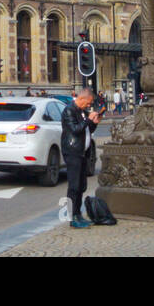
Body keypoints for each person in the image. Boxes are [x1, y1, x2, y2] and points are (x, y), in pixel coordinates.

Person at [61, 88, 101, 228]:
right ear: (82, 99)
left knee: (81, 185)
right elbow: (75, 130)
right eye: (88, 103)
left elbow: (86, 130)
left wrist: (94, 123)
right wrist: (88, 120)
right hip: (72, 151)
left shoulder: (82, 111)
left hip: (82, 152)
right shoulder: (69, 110)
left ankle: (78, 214)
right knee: (74, 186)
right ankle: (72, 217)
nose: (88, 105)